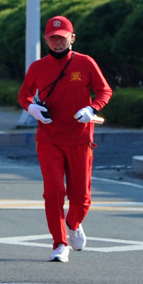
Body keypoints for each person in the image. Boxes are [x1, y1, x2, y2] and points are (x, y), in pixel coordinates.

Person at [17, 15, 112, 262]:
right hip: (49, 138)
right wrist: (32, 109)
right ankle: (59, 244)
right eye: (52, 38)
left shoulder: (85, 63)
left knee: (81, 196)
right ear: (46, 40)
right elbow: (24, 95)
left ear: (72, 37)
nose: (57, 43)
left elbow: (104, 90)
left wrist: (92, 108)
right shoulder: (37, 67)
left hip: (80, 138)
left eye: (62, 38)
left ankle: (73, 223)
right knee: (54, 192)